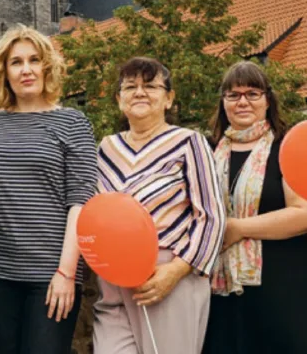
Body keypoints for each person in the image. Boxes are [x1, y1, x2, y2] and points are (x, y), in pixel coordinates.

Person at [0, 26, 97, 354]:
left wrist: (66, 272)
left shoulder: (73, 122)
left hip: (51, 272)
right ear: (4, 72)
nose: (26, 69)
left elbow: (81, 201)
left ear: (47, 67)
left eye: (34, 60)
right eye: (16, 62)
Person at [93, 57, 225, 354]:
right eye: (130, 87)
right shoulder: (106, 148)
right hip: (113, 281)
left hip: (167, 276)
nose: (140, 92)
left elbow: (211, 216)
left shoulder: (189, 143)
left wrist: (176, 271)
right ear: (119, 99)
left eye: (150, 86)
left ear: (169, 98)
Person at [201, 61, 307, 354]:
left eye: (252, 94)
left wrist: (237, 228)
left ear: (267, 100)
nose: (242, 101)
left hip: (283, 287)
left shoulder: (288, 147)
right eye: (233, 95)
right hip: (222, 293)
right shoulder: (208, 151)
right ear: (223, 102)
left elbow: (306, 215)